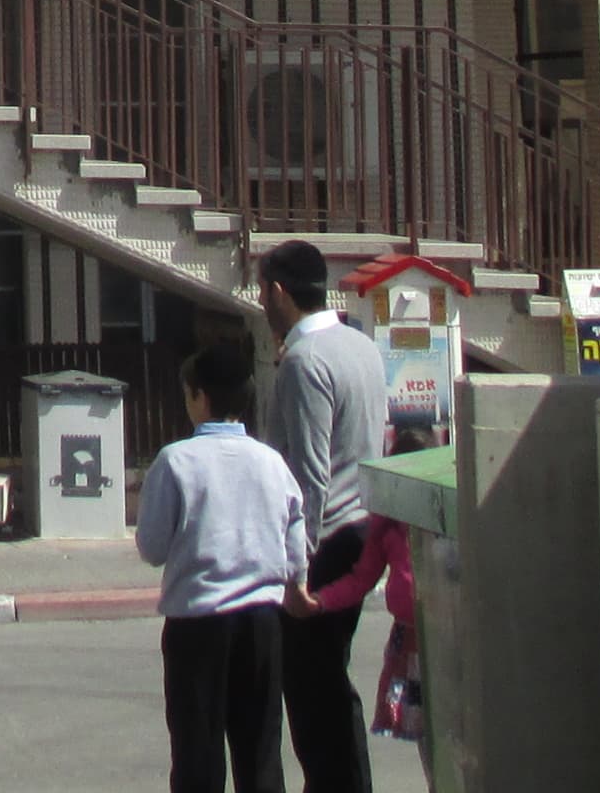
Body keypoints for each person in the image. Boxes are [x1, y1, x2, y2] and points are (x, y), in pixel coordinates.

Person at [138, 338, 309, 793]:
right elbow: (296, 535)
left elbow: (152, 546)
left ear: (200, 396)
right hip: (261, 622)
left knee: (198, 755)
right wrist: (297, 579)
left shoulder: (176, 461)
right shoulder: (272, 463)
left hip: (197, 623)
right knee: (260, 753)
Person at [258, 243, 392, 793]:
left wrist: (297, 571)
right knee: (329, 681)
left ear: (278, 293)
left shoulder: (305, 362)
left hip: (325, 541)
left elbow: (308, 476)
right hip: (361, 531)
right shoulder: (359, 346)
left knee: (313, 690)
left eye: (261, 289)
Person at [290, 424, 432, 779]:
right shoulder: (386, 526)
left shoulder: (446, 520)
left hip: (446, 641)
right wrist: (319, 601)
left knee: (453, 733)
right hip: (409, 644)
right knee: (427, 737)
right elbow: (360, 580)